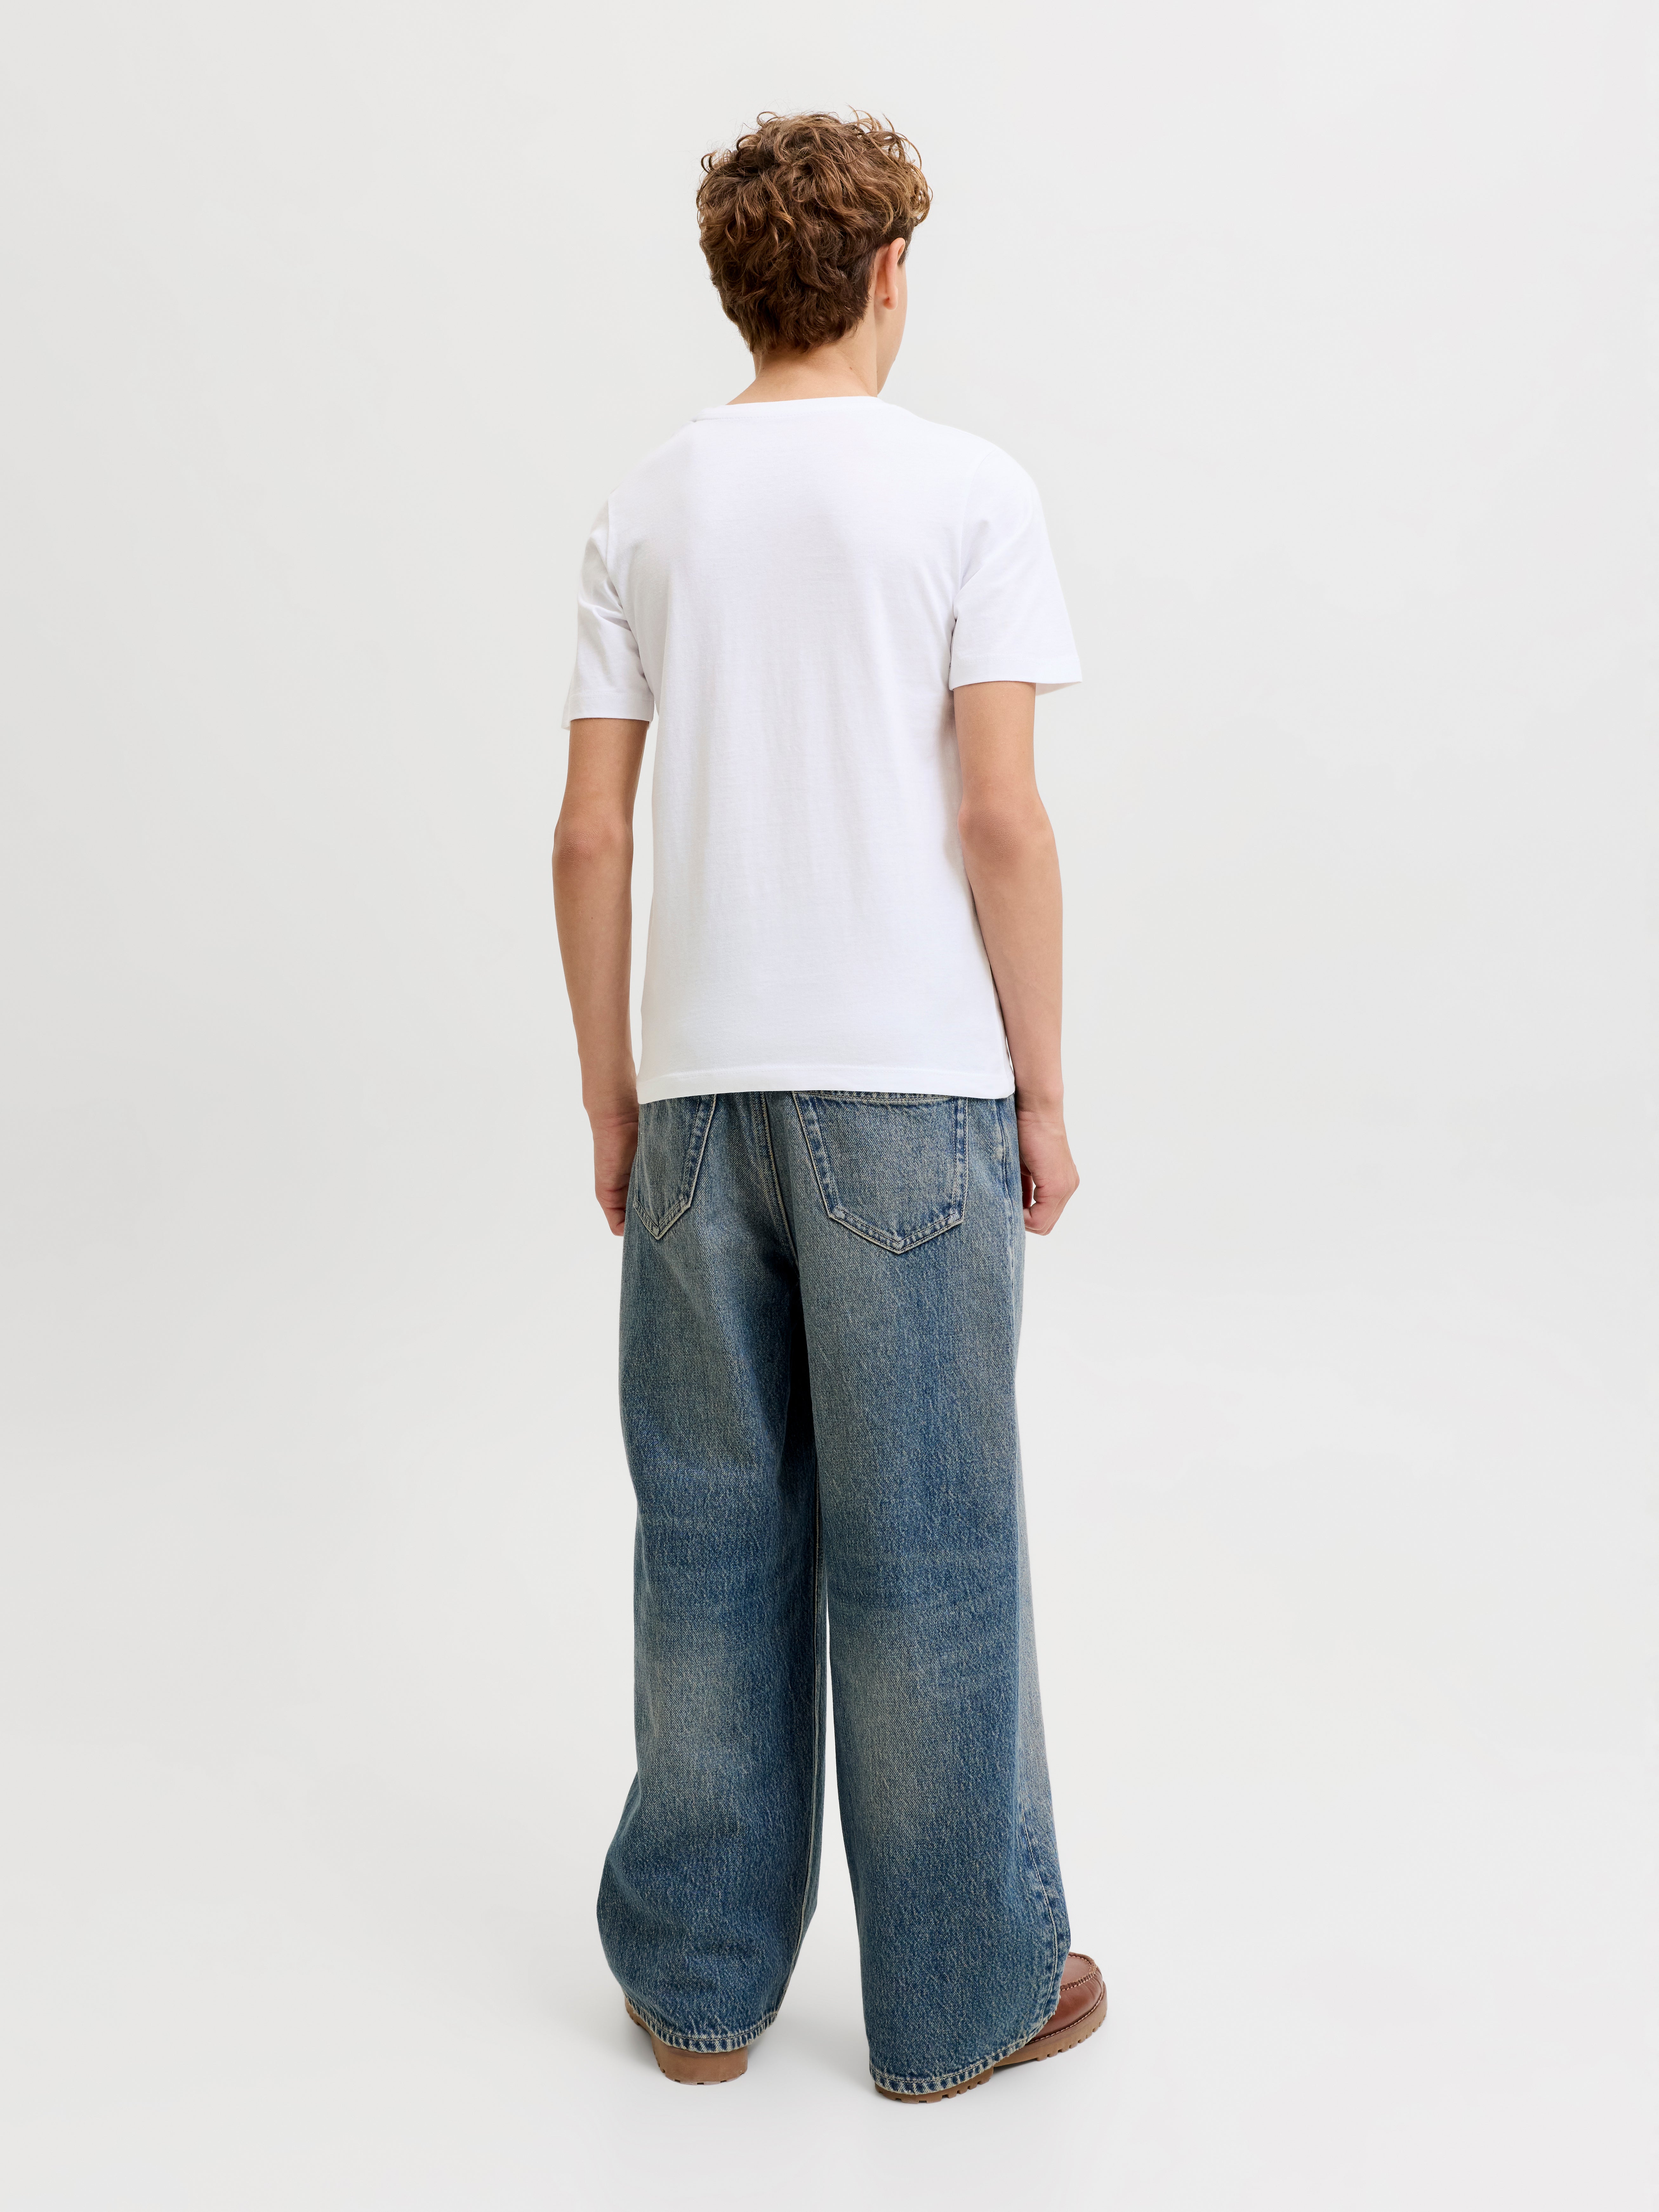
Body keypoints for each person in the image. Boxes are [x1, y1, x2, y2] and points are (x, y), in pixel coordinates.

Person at [552, 111, 1102, 2104]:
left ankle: (699, 1991)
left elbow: (590, 835)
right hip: (910, 1097)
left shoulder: (645, 505)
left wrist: (615, 1101)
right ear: (886, 275)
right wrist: (1045, 1087)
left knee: (708, 1536)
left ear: (740, 287)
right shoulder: (968, 491)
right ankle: (962, 2004)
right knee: (930, 1547)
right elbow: (1000, 819)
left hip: (702, 1101)